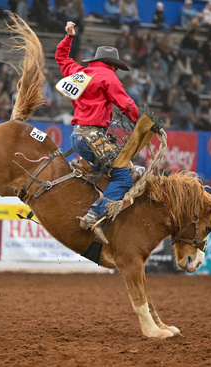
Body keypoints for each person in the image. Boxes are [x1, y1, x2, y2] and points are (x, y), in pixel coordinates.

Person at [56, 21, 139, 243]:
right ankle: (93, 214)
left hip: (77, 137)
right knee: (123, 178)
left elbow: (62, 59)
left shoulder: (80, 72)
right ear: (112, 64)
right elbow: (126, 104)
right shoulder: (108, 77)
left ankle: (91, 192)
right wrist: (141, 120)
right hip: (95, 137)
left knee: (109, 171)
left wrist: (68, 38)